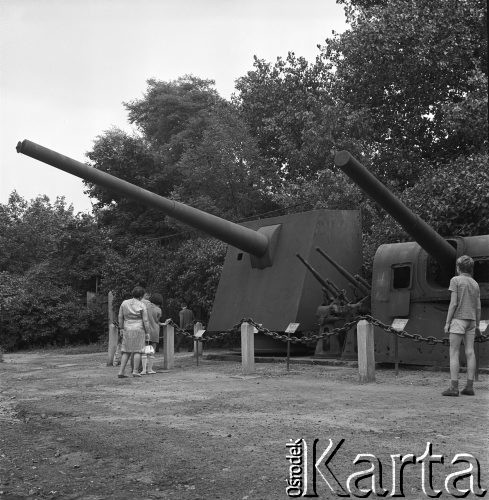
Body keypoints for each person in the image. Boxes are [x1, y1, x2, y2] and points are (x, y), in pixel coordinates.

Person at [442, 255, 481, 396]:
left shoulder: (455, 280)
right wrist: (477, 326)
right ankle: (469, 387)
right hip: (471, 321)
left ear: (458, 268)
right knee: (470, 352)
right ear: (471, 269)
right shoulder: (475, 284)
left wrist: (447, 323)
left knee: (454, 352)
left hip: (458, 320)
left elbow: (453, 303)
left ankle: (453, 387)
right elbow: (478, 307)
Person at [117, 286, 150, 378]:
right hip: (138, 328)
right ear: (141, 296)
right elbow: (145, 320)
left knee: (126, 351)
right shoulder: (142, 305)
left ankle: (121, 372)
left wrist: (121, 328)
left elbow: (120, 316)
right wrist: (147, 332)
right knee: (137, 350)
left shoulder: (124, 303)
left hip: (127, 327)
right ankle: (135, 371)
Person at [141, 293, 163, 375]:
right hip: (155, 330)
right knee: (152, 350)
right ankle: (149, 369)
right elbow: (157, 321)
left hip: (146, 330)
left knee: (144, 350)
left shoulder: (146, 307)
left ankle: (143, 370)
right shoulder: (159, 310)